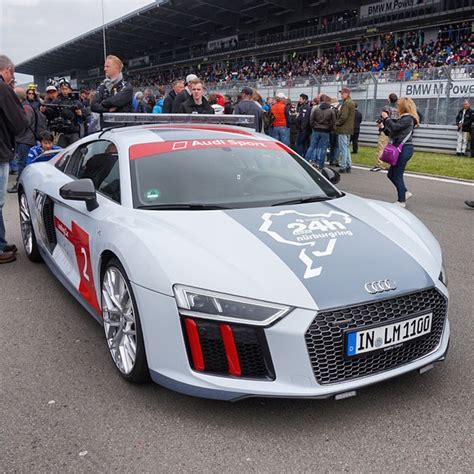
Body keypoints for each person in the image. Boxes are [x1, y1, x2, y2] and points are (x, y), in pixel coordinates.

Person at [0, 54, 27, 264]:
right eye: (13, 73)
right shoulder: (3, 88)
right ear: (7, 70)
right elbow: (19, 123)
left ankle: (1, 242)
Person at [379, 97, 419, 208]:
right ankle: (405, 192)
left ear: (403, 106)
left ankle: (401, 201)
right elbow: (392, 133)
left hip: (404, 149)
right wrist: (383, 127)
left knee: (397, 174)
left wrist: (387, 119)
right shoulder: (403, 118)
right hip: (400, 148)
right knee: (391, 174)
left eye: (398, 105)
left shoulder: (408, 118)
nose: (396, 108)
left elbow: (395, 128)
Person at [8, 88, 37, 193]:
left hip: (25, 140)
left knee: (23, 164)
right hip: (24, 139)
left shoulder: (25, 107)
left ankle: (21, 186)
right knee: (22, 163)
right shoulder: (24, 106)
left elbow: (25, 122)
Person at [91, 55, 133, 127]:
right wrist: (108, 110)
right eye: (104, 66)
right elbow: (93, 106)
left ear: (116, 68)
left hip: (122, 128)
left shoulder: (127, 86)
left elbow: (114, 101)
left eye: (107, 66)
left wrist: (102, 103)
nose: (104, 69)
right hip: (105, 130)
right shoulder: (102, 86)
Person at [305, 94, 335, 168]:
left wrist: (313, 127)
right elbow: (333, 122)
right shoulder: (331, 110)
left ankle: (306, 160)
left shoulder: (316, 109)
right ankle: (320, 163)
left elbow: (311, 119)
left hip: (316, 129)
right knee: (323, 148)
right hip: (325, 130)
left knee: (312, 146)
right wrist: (330, 129)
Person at [372, 93, 398, 172]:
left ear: (389, 99)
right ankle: (388, 164)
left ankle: (379, 164)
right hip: (395, 130)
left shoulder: (386, 108)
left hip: (386, 129)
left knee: (381, 147)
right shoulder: (398, 108)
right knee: (390, 147)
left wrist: (378, 123)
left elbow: (382, 117)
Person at [335, 87, 355, 173]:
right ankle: (348, 164)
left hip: (343, 128)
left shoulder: (346, 103)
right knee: (346, 148)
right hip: (349, 128)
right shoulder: (351, 103)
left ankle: (343, 166)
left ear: (347, 93)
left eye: (342, 93)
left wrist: (336, 123)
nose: (341, 95)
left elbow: (343, 117)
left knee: (343, 148)